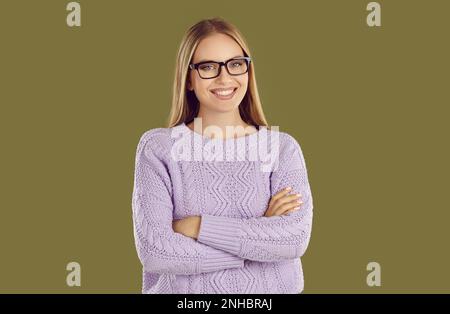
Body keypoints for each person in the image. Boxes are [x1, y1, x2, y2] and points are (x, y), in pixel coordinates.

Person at [131, 17, 314, 294]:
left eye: (236, 64)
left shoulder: (281, 149)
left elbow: (293, 240)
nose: (225, 78)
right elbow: (157, 251)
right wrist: (258, 239)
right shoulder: (159, 148)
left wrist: (198, 226)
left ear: (248, 71)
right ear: (189, 78)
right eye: (208, 67)